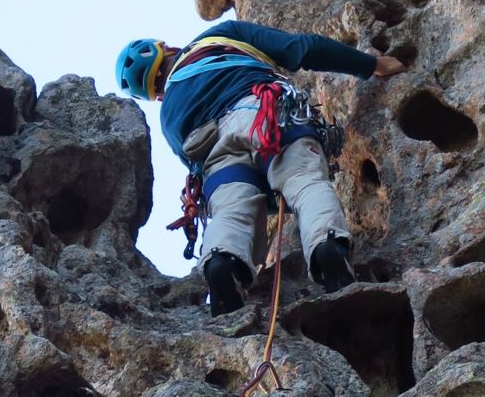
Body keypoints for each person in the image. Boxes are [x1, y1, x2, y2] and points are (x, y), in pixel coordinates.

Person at [116, 20, 405, 316]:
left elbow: (197, 170)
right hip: (263, 114)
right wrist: (372, 64)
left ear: (156, 94)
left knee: (231, 210)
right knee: (303, 182)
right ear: (167, 48)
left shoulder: (168, 117)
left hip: (215, 156)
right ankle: (326, 247)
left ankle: (223, 261)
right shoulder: (220, 36)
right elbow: (301, 48)